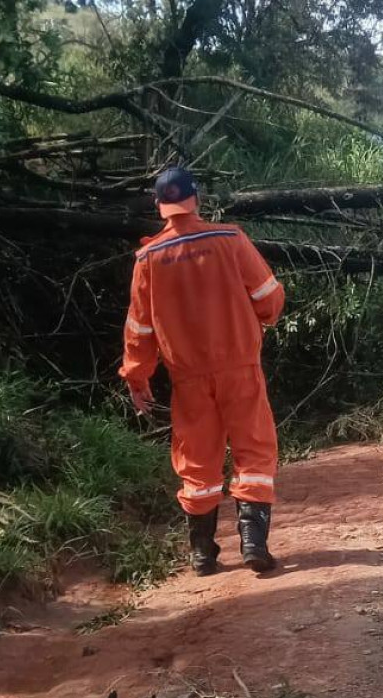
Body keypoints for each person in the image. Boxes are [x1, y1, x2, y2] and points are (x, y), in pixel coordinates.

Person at [121, 166, 286, 575]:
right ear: (196, 199)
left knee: (196, 462)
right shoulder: (230, 240)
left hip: (187, 376)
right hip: (239, 367)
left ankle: (202, 553)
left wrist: (136, 377)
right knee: (254, 449)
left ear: (160, 207)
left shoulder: (148, 259)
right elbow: (269, 297)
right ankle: (252, 542)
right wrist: (261, 317)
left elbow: (139, 328)